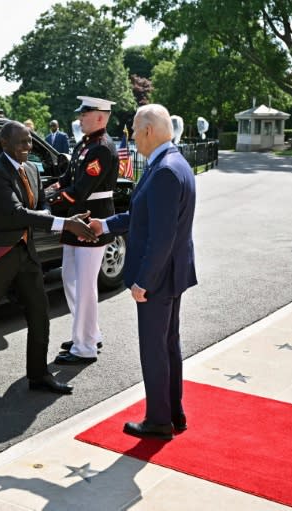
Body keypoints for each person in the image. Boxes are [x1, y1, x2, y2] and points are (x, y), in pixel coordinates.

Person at [0, 120, 99, 402]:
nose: (27, 148)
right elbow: (16, 214)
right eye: (21, 143)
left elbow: (40, 204)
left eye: (29, 141)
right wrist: (66, 224)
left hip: (25, 253)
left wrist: (53, 215)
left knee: (40, 313)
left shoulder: (30, 169)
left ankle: (38, 374)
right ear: (4, 143)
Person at [89, 103, 197, 440]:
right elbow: (144, 218)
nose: (132, 137)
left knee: (155, 349)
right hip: (173, 273)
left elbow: (161, 236)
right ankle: (174, 412)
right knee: (168, 345)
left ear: (149, 130)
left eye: (135, 130)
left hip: (159, 278)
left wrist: (143, 281)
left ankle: (158, 420)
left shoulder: (164, 170)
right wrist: (104, 223)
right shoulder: (173, 163)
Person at [44, 96, 119, 365]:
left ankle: (85, 347)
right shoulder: (85, 145)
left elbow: (80, 190)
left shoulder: (101, 148)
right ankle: (86, 333)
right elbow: (68, 179)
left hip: (91, 222)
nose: (79, 118)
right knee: (71, 279)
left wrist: (49, 201)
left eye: (84, 114)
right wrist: (51, 188)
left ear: (100, 116)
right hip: (77, 221)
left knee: (85, 285)